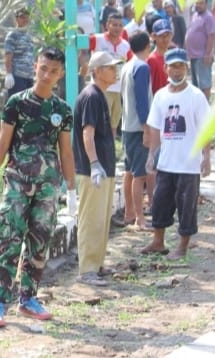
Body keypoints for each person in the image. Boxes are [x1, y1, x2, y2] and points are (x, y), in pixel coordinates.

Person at [0, 47, 76, 328]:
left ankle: (28, 298)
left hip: (48, 187)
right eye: (43, 68)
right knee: (9, 238)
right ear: (35, 66)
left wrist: (70, 190)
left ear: (61, 74)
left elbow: (66, 153)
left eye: (53, 71)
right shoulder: (16, 103)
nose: (47, 75)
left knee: (40, 240)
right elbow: (3, 142)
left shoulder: (62, 110)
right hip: (18, 182)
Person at [140, 48, 211, 260]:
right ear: (166, 68)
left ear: (187, 68)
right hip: (167, 162)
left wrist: (206, 157)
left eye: (181, 66)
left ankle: (182, 246)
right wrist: (152, 154)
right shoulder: (160, 96)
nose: (177, 71)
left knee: (187, 206)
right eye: (173, 66)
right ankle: (158, 241)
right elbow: (154, 127)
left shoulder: (196, 96)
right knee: (160, 203)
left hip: (188, 164)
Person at [72, 51, 122, 287]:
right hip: (92, 168)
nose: (115, 71)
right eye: (110, 67)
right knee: (91, 218)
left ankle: (98, 263)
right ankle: (88, 269)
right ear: (98, 71)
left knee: (102, 218)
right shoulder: (91, 96)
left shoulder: (100, 95)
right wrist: (93, 164)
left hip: (104, 167)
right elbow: (87, 133)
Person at [120, 31, 153, 231]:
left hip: (126, 125)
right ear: (147, 45)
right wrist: (146, 128)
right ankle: (140, 219)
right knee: (139, 174)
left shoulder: (126, 66)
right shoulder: (142, 67)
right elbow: (142, 101)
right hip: (137, 127)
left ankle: (129, 212)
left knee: (129, 171)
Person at [90, 12, 132, 138]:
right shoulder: (97, 39)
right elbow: (81, 49)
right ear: (107, 25)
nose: (117, 28)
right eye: (114, 24)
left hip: (118, 88)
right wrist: (84, 65)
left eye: (120, 25)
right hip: (101, 88)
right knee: (101, 121)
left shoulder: (125, 45)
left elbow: (129, 62)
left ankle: (111, 149)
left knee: (114, 122)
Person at [185, 0, 215, 101]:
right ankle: (198, 105)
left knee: (204, 84)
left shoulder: (208, 17)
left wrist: (207, 54)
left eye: (201, 3)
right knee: (195, 84)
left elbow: (211, 36)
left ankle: (205, 105)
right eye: (197, 3)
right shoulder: (195, 15)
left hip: (202, 56)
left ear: (206, 4)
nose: (198, 5)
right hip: (193, 55)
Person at [4, 7, 34, 98]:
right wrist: (9, 74)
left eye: (26, 17)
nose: (25, 19)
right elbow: (8, 55)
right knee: (16, 107)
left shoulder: (29, 35)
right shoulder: (12, 35)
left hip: (29, 77)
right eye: (22, 17)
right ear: (16, 19)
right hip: (17, 77)